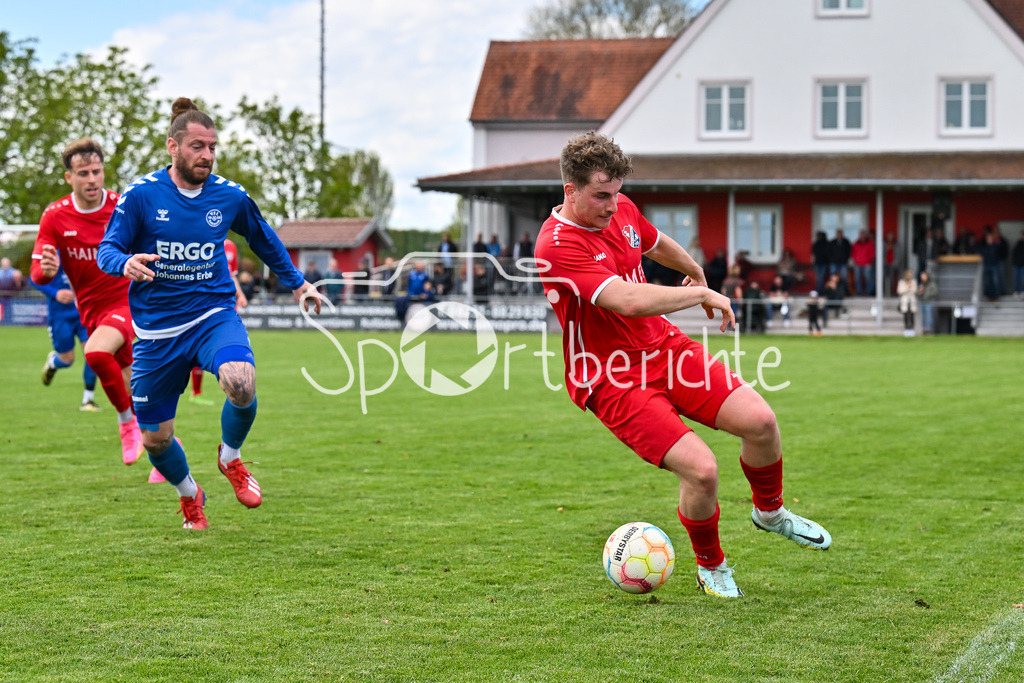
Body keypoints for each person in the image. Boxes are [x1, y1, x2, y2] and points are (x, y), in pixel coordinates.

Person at [535, 131, 831, 599]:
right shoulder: (556, 247)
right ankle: (711, 565)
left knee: (761, 422)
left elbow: (652, 242)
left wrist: (694, 268)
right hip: (611, 377)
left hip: (664, 349)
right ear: (570, 190)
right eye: (600, 196)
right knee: (702, 469)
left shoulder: (621, 207)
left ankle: (770, 513)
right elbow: (627, 300)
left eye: (615, 194)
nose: (612, 207)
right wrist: (697, 293)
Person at [97, 98, 323, 530]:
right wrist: (123, 263)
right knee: (156, 439)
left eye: (212, 147)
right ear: (172, 146)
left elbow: (264, 238)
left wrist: (298, 282)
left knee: (241, 382)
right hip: (157, 332)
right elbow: (108, 249)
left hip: (212, 315)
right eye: (197, 146)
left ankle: (231, 458)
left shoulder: (229, 195)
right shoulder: (141, 196)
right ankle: (189, 495)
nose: (207, 155)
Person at [31, 137, 142, 465]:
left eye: (96, 171)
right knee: (140, 396)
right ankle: (168, 455)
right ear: (69, 178)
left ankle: (125, 425)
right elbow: (38, 274)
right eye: (83, 173)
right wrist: (47, 270)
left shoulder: (122, 207)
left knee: (94, 352)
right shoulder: (54, 216)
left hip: (127, 303)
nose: (91, 178)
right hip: (90, 311)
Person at [31, 265, 101, 411]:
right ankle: (53, 363)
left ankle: (87, 400)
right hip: (60, 317)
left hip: (84, 313)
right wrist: (55, 293)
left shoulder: (84, 252)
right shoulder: (54, 253)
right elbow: (34, 278)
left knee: (92, 353)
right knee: (67, 360)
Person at [188, 238, 248, 407]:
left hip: (228, 304)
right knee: (199, 348)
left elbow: (232, 275)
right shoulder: (202, 239)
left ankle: (232, 391)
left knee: (229, 348)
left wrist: (240, 295)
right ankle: (196, 392)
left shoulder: (231, 246)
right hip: (205, 303)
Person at [850, 229, 875, 296]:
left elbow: (872, 253)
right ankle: (859, 291)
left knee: (868, 278)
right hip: (858, 264)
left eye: (863, 234)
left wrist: (869, 261)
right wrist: (855, 260)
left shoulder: (870, 243)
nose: (862, 236)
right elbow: (853, 253)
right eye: (861, 234)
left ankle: (869, 292)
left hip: (867, 264)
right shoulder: (856, 243)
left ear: (866, 235)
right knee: (857, 279)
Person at [828, 229, 851, 295]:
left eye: (840, 234)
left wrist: (846, 259)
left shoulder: (846, 242)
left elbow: (848, 252)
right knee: (833, 278)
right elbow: (829, 252)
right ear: (836, 234)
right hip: (834, 262)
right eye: (838, 234)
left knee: (844, 278)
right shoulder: (832, 242)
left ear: (842, 234)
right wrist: (831, 259)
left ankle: (844, 292)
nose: (839, 235)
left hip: (843, 262)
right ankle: (832, 292)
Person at [897, 270, 918, 337]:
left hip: (912, 300)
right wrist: (907, 287)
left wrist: (909, 288)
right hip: (904, 300)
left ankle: (912, 329)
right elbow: (900, 291)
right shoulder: (901, 282)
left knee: (912, 315)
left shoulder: (913, 282)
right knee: (906, 315)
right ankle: (906, 329)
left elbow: (914, 290)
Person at [1013, 234, 1024, 299]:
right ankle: (1016, 291)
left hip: (1023, 265)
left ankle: (1023, 291)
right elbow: (1014, 253)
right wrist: (1014, 262)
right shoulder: (1018, 243)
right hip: (1017, 264)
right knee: (1016, 278)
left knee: (1023, 279)